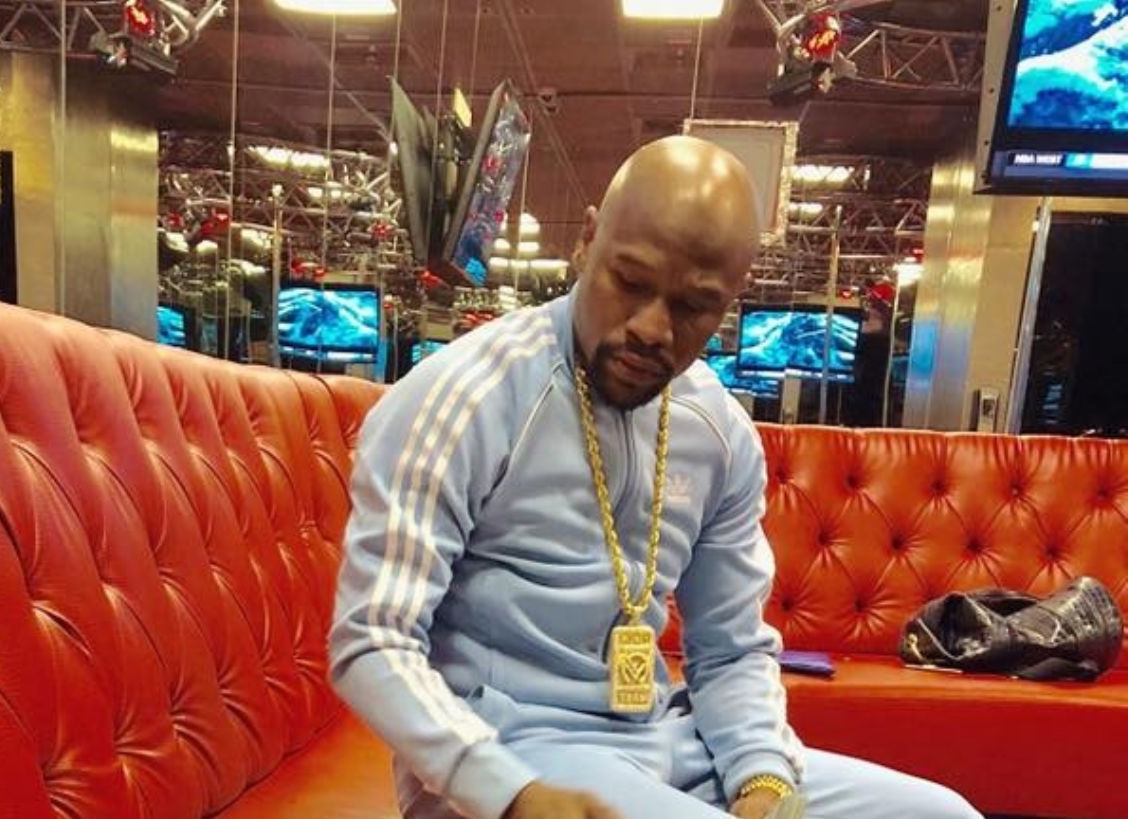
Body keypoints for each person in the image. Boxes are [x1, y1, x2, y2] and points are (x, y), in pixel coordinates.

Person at [328, 136, 983, 819]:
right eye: (631, 283)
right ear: (587, 241)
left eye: (693, 306)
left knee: (944, 815)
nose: (652, 328)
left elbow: (731, 648)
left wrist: (761, 775)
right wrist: (509, 792)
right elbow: (372, 639)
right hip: (507, 759)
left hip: (661, 738)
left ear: (730, 302)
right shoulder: (465, 398)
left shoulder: (717, 430)